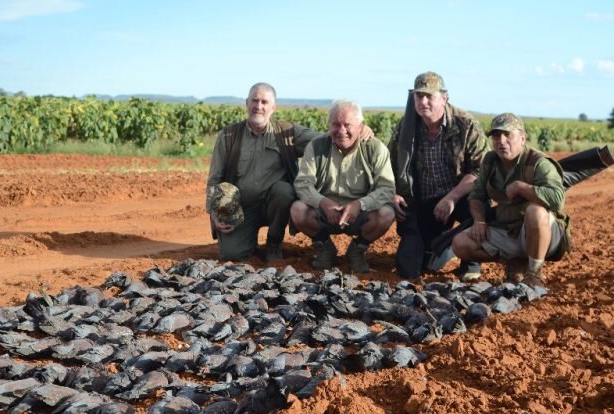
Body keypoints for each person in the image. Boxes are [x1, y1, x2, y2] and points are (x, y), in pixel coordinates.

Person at [206, 83, 372, 263]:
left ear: (273, 107)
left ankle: (274, 242)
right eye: (255, 101)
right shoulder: (229, 136)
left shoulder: (287, 133)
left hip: (275, 205)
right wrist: (214, 211)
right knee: (231, 255)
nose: (258, 106)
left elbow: (326, 138)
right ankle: (247, 239)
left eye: (264, 102)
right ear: (247, 103)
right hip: (241, 207)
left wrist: (358, 129)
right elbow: (215, 178)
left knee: (284, 191)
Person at [451, 113, 570, 288]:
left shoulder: (538, 162)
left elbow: (557, 199)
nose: (501, 141)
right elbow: (476, 196)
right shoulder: (490, 161)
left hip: (545, 233)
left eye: (508, 135)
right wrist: (480, 220)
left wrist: (523, 188)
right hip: (509, 231)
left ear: (522, 138)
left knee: (535, 211)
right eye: (497, 136)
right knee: (460, 243)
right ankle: (516, 263)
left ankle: (534, 272)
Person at [389, 71, 488, 281]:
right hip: (425, 203)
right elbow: (390, 165)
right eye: (419, 96)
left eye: (429, 96)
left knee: (478, 205)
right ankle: (444, 245)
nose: (423, 101)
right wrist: (394, 192)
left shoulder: (466, 125)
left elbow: (480, 170)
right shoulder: (406, 127)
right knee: (413, 267)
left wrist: (451, 198)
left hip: (459, 197)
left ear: (444, 97)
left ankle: (470, 260)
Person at [291, 101, 396, 272]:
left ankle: (357, 250)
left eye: (347, 125)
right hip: (324, 212)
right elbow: (303, 184)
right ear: (329, 125)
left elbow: (386, 189)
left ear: (360, 126)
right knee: (298, 210)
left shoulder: (375, 148)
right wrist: (324, 203)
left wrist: (359, 205)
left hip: (360, 214)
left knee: (386, 214)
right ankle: (325, 249)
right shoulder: (316, 146)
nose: (341, 131)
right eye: (335, 125)